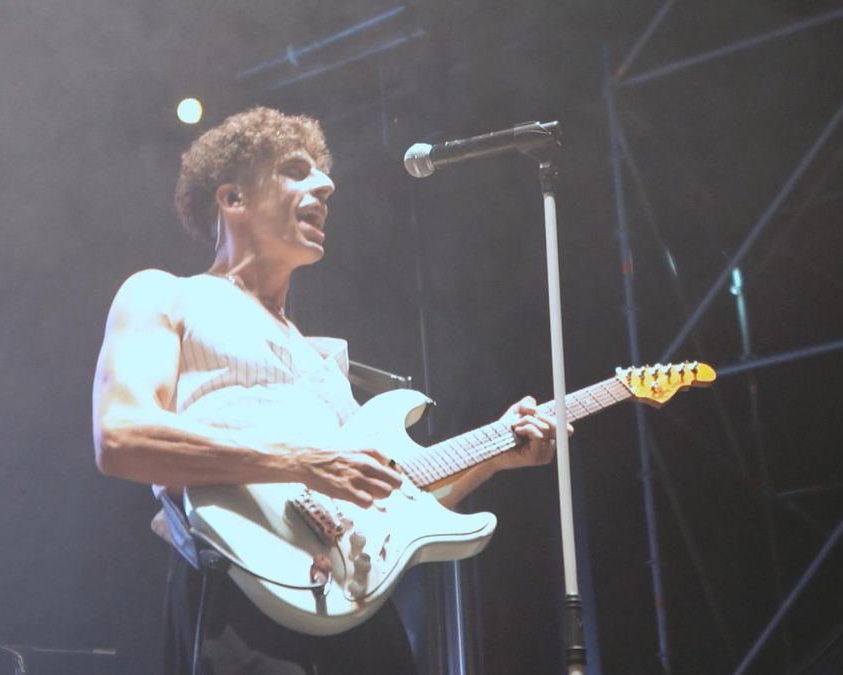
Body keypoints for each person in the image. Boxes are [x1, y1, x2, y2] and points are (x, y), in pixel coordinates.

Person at [92, 107, 569, 674]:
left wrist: (494, 456)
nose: (325, 184)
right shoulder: (164, 296)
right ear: (233, 199)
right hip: (239, 591)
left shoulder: (320, 359)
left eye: (322, 176)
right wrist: (303, 461)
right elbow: (121, 437)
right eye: (295, 171)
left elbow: (388, 505)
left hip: (355, 609)